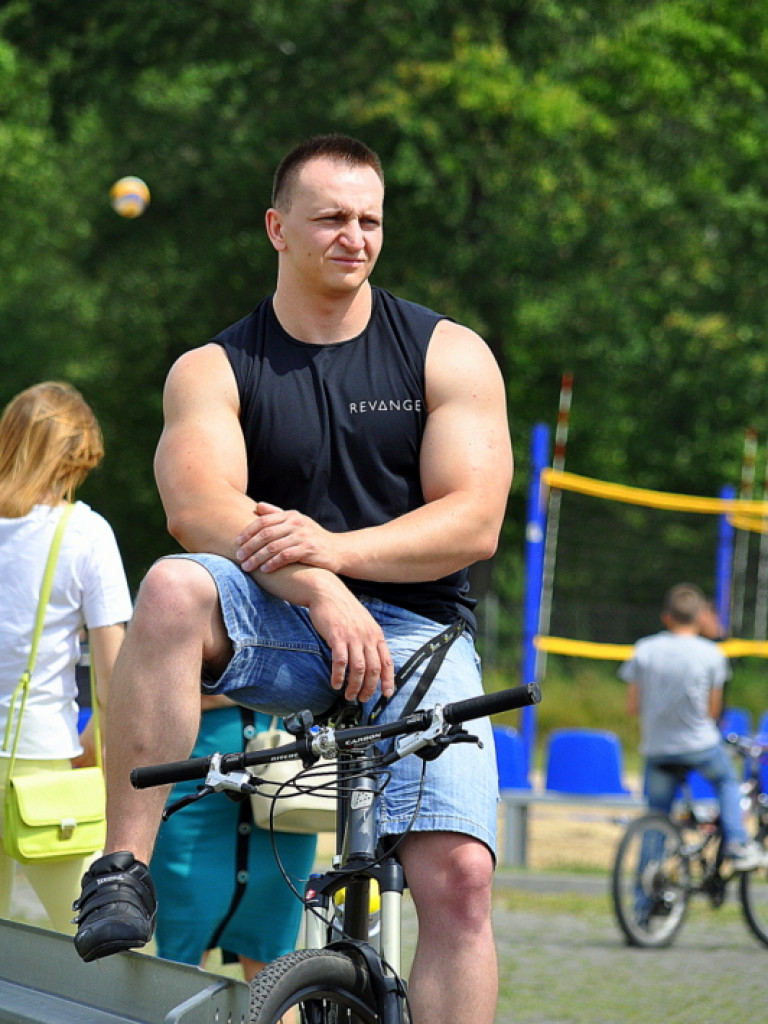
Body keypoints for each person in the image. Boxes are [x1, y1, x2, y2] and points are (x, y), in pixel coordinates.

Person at [72, 134, 512, 1024]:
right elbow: (198, 508)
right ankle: (122, 870)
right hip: (280, 613)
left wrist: (335, 553)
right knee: (173, 585)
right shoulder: (215, 368)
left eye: (370, 220)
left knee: (462, 881)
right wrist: (318, 586)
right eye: (332, 218)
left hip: (419, 635)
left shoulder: (446, 352)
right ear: (277, 228)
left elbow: (474, 521)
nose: (355, 236)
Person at [0, 381, 132, 932]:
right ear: (75, 459)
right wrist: (103, 749)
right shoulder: (84, 533)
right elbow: (112, 679)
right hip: (39, 754)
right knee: (90, 932)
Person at [151, 696, 317, 981]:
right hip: (192, 787)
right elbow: (147, 693)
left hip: (283, 785)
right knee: (179, 959)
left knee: (273, 958)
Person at [619, 582, 763, 870]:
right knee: (727, 782)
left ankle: (644, 891)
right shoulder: (712, 654)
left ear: (666, 617)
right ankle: (737, 844)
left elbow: (633, 706)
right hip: (699, 745)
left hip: (658, 747)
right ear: (699, 617)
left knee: (656, 818)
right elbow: (713, 711)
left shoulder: (644, 649)